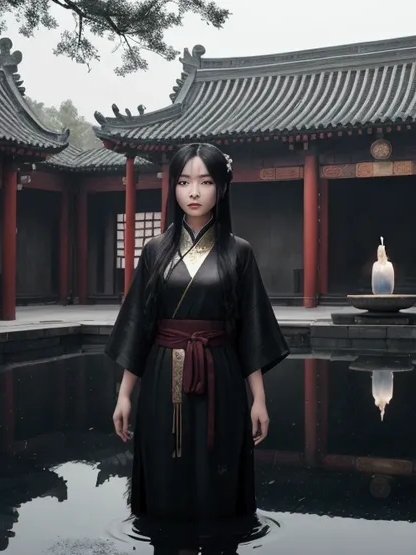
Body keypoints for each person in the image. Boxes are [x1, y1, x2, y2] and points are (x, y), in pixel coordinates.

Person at [105, 143, 290, 523]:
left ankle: (220, 531)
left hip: (220, 370)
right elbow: (139, 325)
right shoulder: (155, 250)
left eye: (205, 182)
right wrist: (124, 394)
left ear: (221, 188)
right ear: (173, 188)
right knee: (164, 459)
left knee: (218, 456)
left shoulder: (239, 252)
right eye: (184, 182)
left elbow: (248, 331)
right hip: (162, 372)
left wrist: (258, 398)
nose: (193, 192)